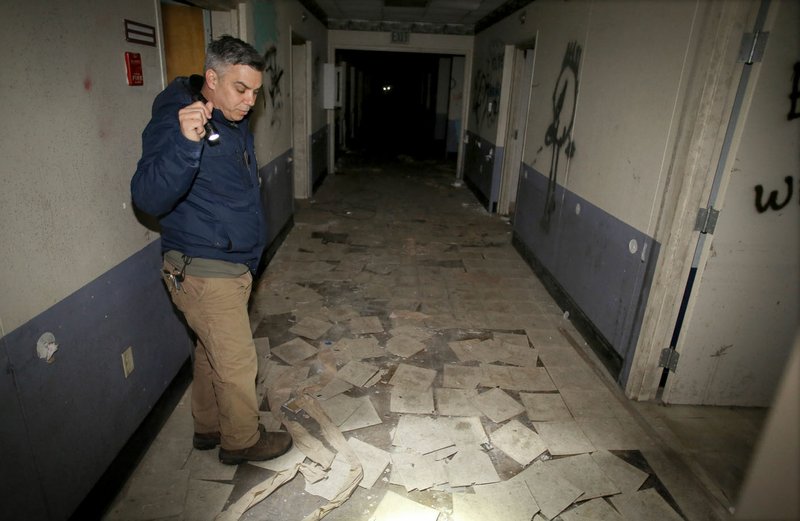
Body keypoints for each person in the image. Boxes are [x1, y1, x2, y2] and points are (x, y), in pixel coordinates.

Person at [131, 35, 292, 465]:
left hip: (230, 263)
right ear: (212, 78)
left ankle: (208, 426)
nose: (250, 101)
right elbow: (147, 197)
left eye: (256, 92)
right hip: (203, 266)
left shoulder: (232, 121)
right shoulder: (179, 120)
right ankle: (241, 440)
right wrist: (186, 142)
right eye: (241, 89)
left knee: (210, 350)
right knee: (239, 362)